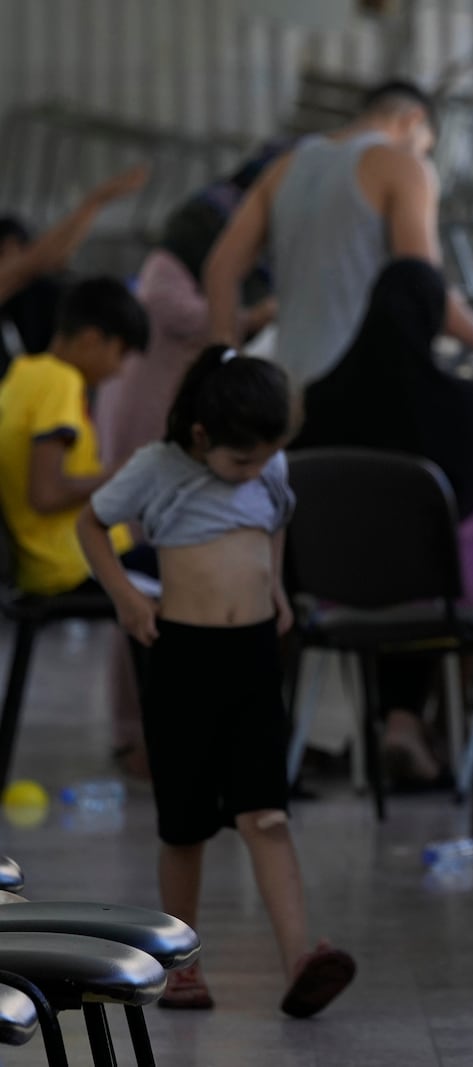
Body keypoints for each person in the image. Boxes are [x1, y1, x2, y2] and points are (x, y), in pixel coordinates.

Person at [78, 345, 356, 1017]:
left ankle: (301, 958)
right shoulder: (158, 467)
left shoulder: (268, 460)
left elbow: (279, 516)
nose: (254, 473)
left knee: (267, 812)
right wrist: (125, 596)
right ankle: (182, 966)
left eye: (264, 459)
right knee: (185, 825)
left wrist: (279, 587)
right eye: (241, 463)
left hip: (256, 656)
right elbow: (90, 524)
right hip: (185, 661)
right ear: (201, 437)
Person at [293, 259, 473, 785]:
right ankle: (462, 727)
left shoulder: (318, 400)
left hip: (344, 588)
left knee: (392, 567)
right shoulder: (465, 405)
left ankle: (402, 724)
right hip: (448, 587)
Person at [204, 79, 473, 392]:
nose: (422, 155)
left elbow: (220, 268)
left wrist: (227, 359)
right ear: (414, 119)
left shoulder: (284, 166)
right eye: (425, 147)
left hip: (286, 383)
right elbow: (423, 287)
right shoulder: (404, 168)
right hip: (357, 389)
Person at [98, 144, 286, 474]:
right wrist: (250, 318)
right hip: (151, 386)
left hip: (175, 387)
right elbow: (169, 307)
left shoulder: (246, 239)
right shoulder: (202, 227)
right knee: (137, 476)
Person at [0, 277, 149, 596]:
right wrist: (121, 474)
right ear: (91, 340)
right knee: (200, 583)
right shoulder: (61, 381)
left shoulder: (22, 374)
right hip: (77, 565)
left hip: (59, 563)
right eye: (120, 354)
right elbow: (46, 494)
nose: (119, 371)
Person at [0, 164, 150, 366]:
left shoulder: (34, 292)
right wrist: (97, 200)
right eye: (10, 254)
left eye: (22, 249)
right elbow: (41, 259)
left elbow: (51, 259)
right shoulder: (19, 282)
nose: (18, 261)